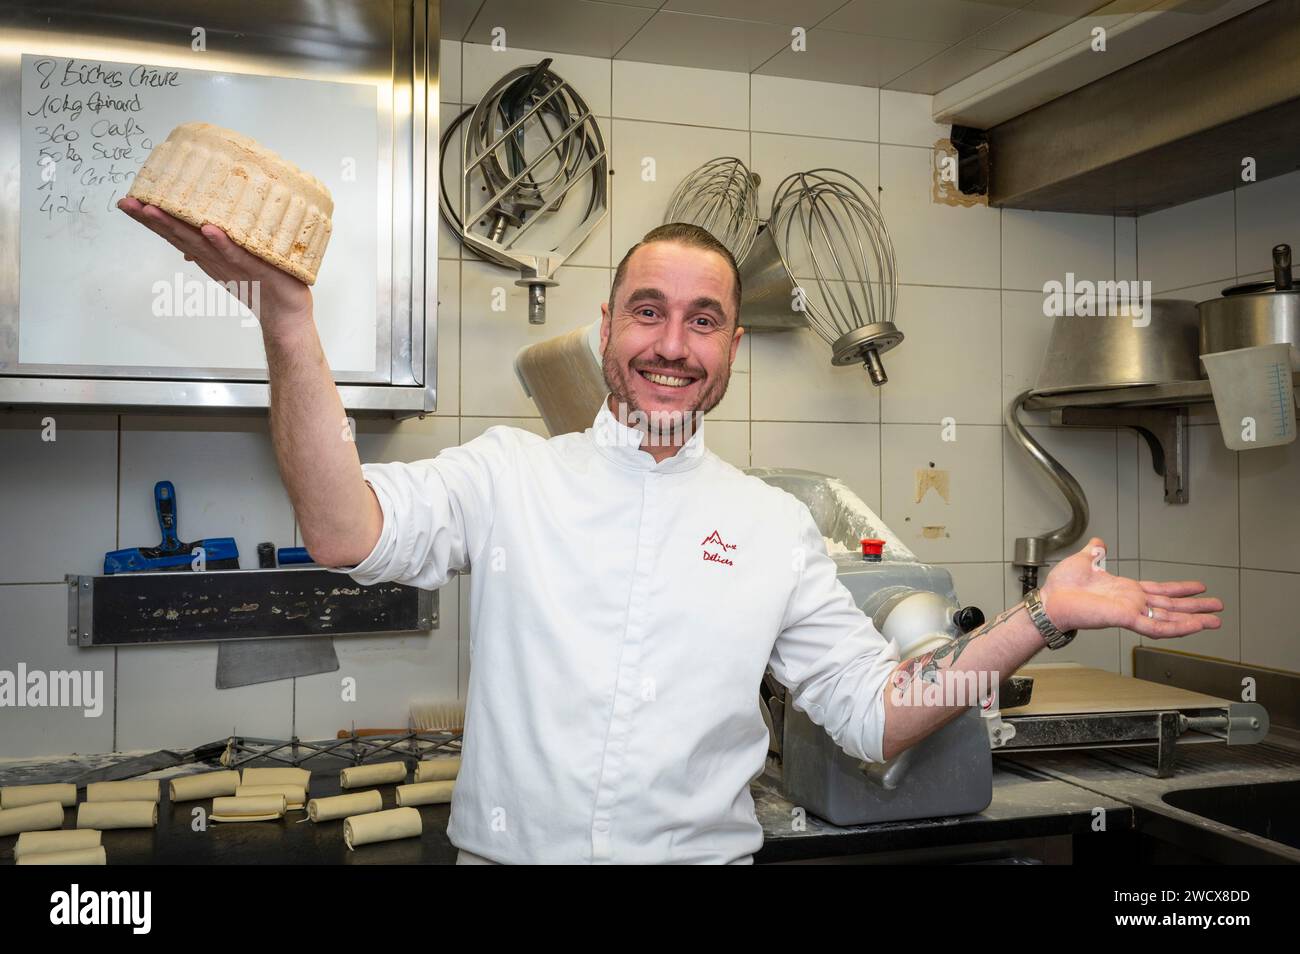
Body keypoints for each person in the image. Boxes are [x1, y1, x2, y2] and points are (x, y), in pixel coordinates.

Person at [118, 203, 1224, 864]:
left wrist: (1038, 618)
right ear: (605, 328)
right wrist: (289, 322)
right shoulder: (508, 477)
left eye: (702, 320)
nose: (671, 343)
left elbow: (879, 719)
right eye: (647, 310)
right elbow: (337, 526)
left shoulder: (772, 526)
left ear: (732, 345)